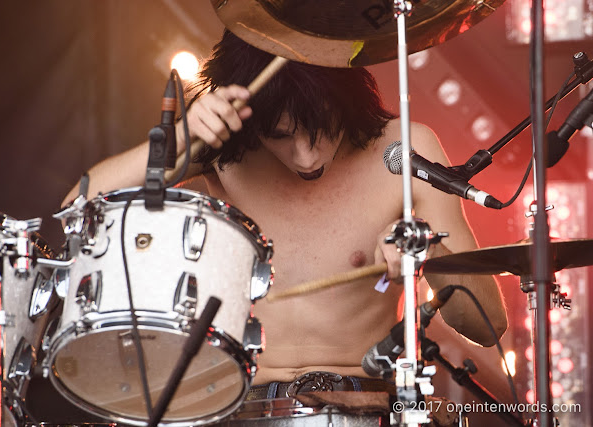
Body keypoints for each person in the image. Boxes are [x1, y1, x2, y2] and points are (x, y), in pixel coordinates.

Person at [63, 30, 507, 399]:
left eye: (321, 130)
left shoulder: (405, 150)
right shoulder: (226, 151)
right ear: (254, 125)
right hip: (239, 402)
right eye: (280, 137)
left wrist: (424, 245)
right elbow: (77, 207)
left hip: (363, 401)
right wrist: (181, 138)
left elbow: (489, 327)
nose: (306, 157)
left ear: (349, 103)